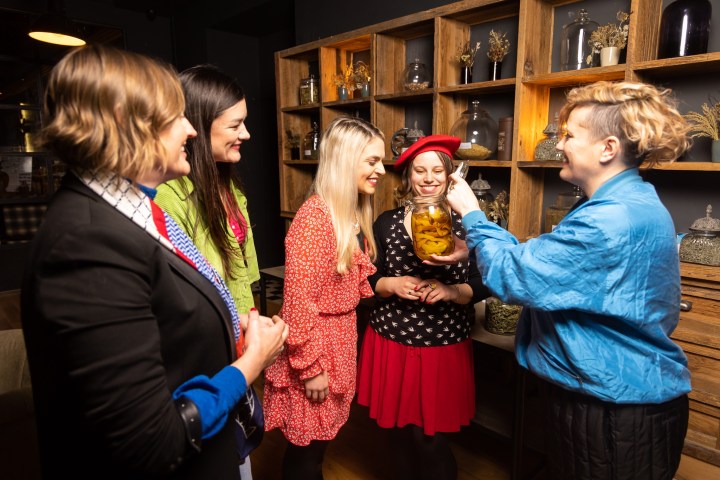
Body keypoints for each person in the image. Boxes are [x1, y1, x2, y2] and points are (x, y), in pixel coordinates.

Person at [21, 45, 288, 480]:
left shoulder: (134, 208)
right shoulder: (87, 243)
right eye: (176, 117)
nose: (192, 129)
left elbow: (163, 310)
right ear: (131, 127)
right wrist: (250, 364)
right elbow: (152, 440)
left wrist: (224, 321)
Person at [446, 81, 692, 480]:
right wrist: (477, 244)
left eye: (570, 135)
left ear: (607, 148)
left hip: (612, 410)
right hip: (616, 400)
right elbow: (549, 258)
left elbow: (514, 275)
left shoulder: (610, 219)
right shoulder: (630, 202)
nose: (559, 145)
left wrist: (473, 216)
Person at [356, 135, 490, 480]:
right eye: (420, 170)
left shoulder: (470, 224)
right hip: (392, 341)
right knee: (398, 434)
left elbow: (482, 283)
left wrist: (451, 290)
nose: (429, 178)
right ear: (408, 177)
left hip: (442, 345)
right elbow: (366, 278)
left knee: (430, 439)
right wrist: (390, 284)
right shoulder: (386, 222)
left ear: (449, 177)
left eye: (437, 171)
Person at [263, 116, 386, 479]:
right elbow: (298, 302)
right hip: (316, 351)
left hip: (338, 343)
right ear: (346, 160)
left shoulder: (346, 214)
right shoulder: (316, 218)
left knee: (317, 449)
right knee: (306, 454)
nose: (381, 169)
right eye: (372, 160)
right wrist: (312, 369)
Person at [156, 65, 258, 317]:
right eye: (235, 126)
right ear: (197, 127)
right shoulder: (168, 197)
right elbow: (177, 298)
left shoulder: (228, 185)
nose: (246, 134)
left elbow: (242, 274)